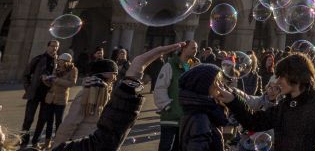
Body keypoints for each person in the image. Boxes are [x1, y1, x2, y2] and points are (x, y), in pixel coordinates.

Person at [0, 42, 183, 151]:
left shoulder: (102, 88)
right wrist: (59, 145)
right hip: (82, 137)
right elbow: (75, 125)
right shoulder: (89, 91)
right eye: (112, 73)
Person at [218, 51, 315, 151]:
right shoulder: (284, 106)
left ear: (296, 76)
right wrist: (233, 100)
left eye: (282, 76)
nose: (277, 82)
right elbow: (254, 122)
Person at [50, 57, 118, 146]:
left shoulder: (105, 92)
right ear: (105, 74)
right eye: (114, 74)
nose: (115, 78)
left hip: (94, 141)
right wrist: (58, 145)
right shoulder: (88, 92)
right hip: (81, 143)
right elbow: (71, 121)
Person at [155, 39, 198, 151]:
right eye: (193, 48)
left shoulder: (195, 66)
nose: (195, 51)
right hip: (171, 116)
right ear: (184, 48)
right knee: (166, 147)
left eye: (196, 48)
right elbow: (160, 87)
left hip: (186, 117)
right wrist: (167, 105)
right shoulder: (170, 65)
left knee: (179, 147)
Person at [178, 63, 230, 151]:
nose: (221, 86)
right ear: (205, 86)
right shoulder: (201, 118)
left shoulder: (201, 109)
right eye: (217, 81)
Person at [31, 52, 78, 147]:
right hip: (50, 97)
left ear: (66, 62)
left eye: (61, 61)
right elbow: (51, 84)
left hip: (61, 99)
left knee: (58, 122)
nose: (59, 62)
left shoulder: (73, 70)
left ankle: (57, 143)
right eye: (59, 60)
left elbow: (72, 83)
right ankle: (47, 143)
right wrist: (46, 80)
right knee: (49, 121)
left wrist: (57, 80)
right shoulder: (57, 68)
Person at [21, 39, 60, 136]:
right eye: (52, 46)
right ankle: (23, 141)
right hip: (35, 93)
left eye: (56, 46)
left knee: (42, 119)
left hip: (48, 94)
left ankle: (35, 142)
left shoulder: (59, 62)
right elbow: (26, 75)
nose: (54, 48)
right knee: (29, 119)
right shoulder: (38, 59)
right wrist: (28, 88)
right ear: (48, 46)